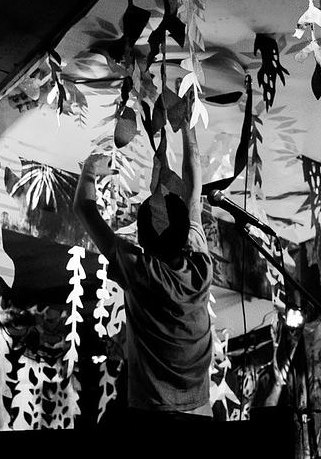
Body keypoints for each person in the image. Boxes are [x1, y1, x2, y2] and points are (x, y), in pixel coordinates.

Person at [73, 120, 213, 427]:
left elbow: (85, 210)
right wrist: (188, 127)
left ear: (142, 239)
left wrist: (90, 167)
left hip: (154, 413)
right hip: (198, 410)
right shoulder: (200, 266)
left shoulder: (141, 270)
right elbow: (194, 190)